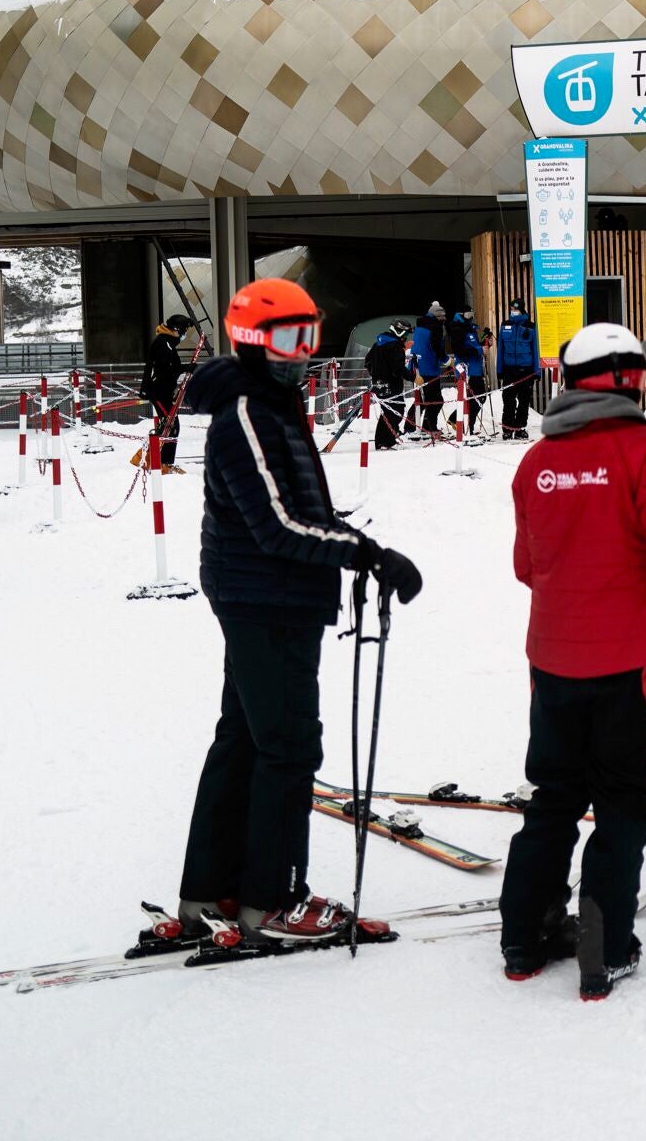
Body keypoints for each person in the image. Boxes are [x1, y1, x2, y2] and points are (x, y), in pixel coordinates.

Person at [174, 277, 422, 947]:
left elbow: (292, 512)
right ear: (253, 341)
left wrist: (343, 541)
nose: (302, 354)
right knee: (287, 747)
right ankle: (272, 900)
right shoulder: (252, 414)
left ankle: (215, 886)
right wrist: (367, 553)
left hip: (269, 595)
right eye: (289, 339)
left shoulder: (271, 405)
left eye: (309, 337)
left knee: (247, 738)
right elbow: (279, 526)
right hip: (265, 598)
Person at [500, 323, 646, 1000]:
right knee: (626, 799)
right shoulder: (642, 448)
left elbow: (527, 565)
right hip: (627, 664)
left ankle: (523, 934)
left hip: (551, 661)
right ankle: (603, 951)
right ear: (632, 378)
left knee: (552, 797)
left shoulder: (535, 461)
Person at [140, 312, 195, 473]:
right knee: (171, 426)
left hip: (162, 391)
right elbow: (165, 370)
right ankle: (163, 464)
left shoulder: (167, 342)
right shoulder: (163, 344)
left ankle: (158, 461)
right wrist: (186, 368)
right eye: (184, 331)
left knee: (168, 426)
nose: (184, 335)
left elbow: (172, 367)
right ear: (176, 329)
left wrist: (186, 369)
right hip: (157, 392)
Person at [364, 320, 410, 451]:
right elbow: (398, 368)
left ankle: (382, 440)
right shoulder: (394, 346)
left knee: (388, 411)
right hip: (391, 384)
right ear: (399, 331)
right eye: (405, 333)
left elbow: (367, 361)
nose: (405, 337)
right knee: (396, 411)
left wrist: (376, 375)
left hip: (379, 384)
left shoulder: (378, 343)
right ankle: (386, 441)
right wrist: (413, 378)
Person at [496, 300, 537, 440]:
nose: (513, 310)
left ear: (522, 310)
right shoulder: (505, 325)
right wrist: (499, 370)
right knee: (508, 401)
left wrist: (537, 372)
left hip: (526, 371)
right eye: (511, 308)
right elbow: (500, 349)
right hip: (509, 370)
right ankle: (507, 429)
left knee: (524, 401)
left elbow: (536, 350)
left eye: (515, 308)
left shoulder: (530, 326)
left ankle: (519, 429)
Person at [409, 301, 448, 436]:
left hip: (418, 366)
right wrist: (447, 360)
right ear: (436, 316)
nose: (443, 320)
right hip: (429, 367)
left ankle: (411, 426)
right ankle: (430, 427)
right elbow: (437, 347)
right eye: (441, 317)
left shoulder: (421, 325)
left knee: (421, 399)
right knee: (435, 400)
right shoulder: (435, 327)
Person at [448, 310, 486, 438]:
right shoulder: (457, 329)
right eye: (468, 315)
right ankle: (466, 426)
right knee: (473, 399)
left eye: (472, 314)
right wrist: (479, 349)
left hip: (475, 369)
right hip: (467, 370)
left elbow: (473, 346)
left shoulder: (470, 328)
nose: (471, 317)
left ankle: (464, 424)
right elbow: (460, 350)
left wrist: (484, 345)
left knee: (478, 398)